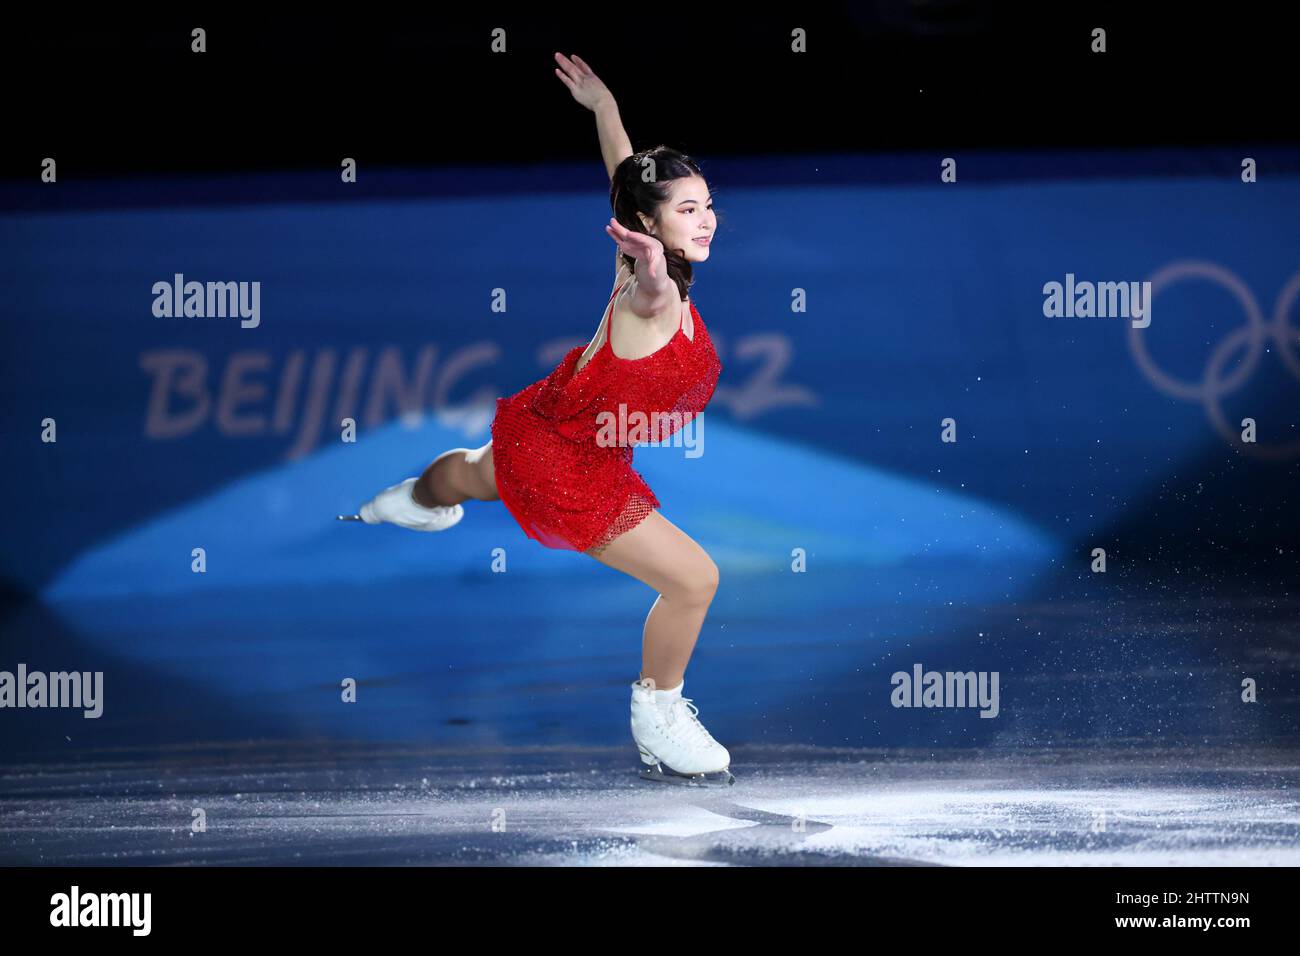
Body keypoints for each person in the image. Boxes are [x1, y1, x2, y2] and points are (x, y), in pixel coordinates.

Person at [353, 53, 731, 785]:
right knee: (694, 580)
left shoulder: (642, 261)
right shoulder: (647, 286)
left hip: (542, 433)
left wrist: (605, 109)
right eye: (689, 210)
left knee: (471, 472)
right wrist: (652, 264)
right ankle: (660, 716)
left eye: (707, 203)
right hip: (571, 469)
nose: (707, 218)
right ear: (647, 228)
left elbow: (628, 178)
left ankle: (410, 500)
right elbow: (652, 278)